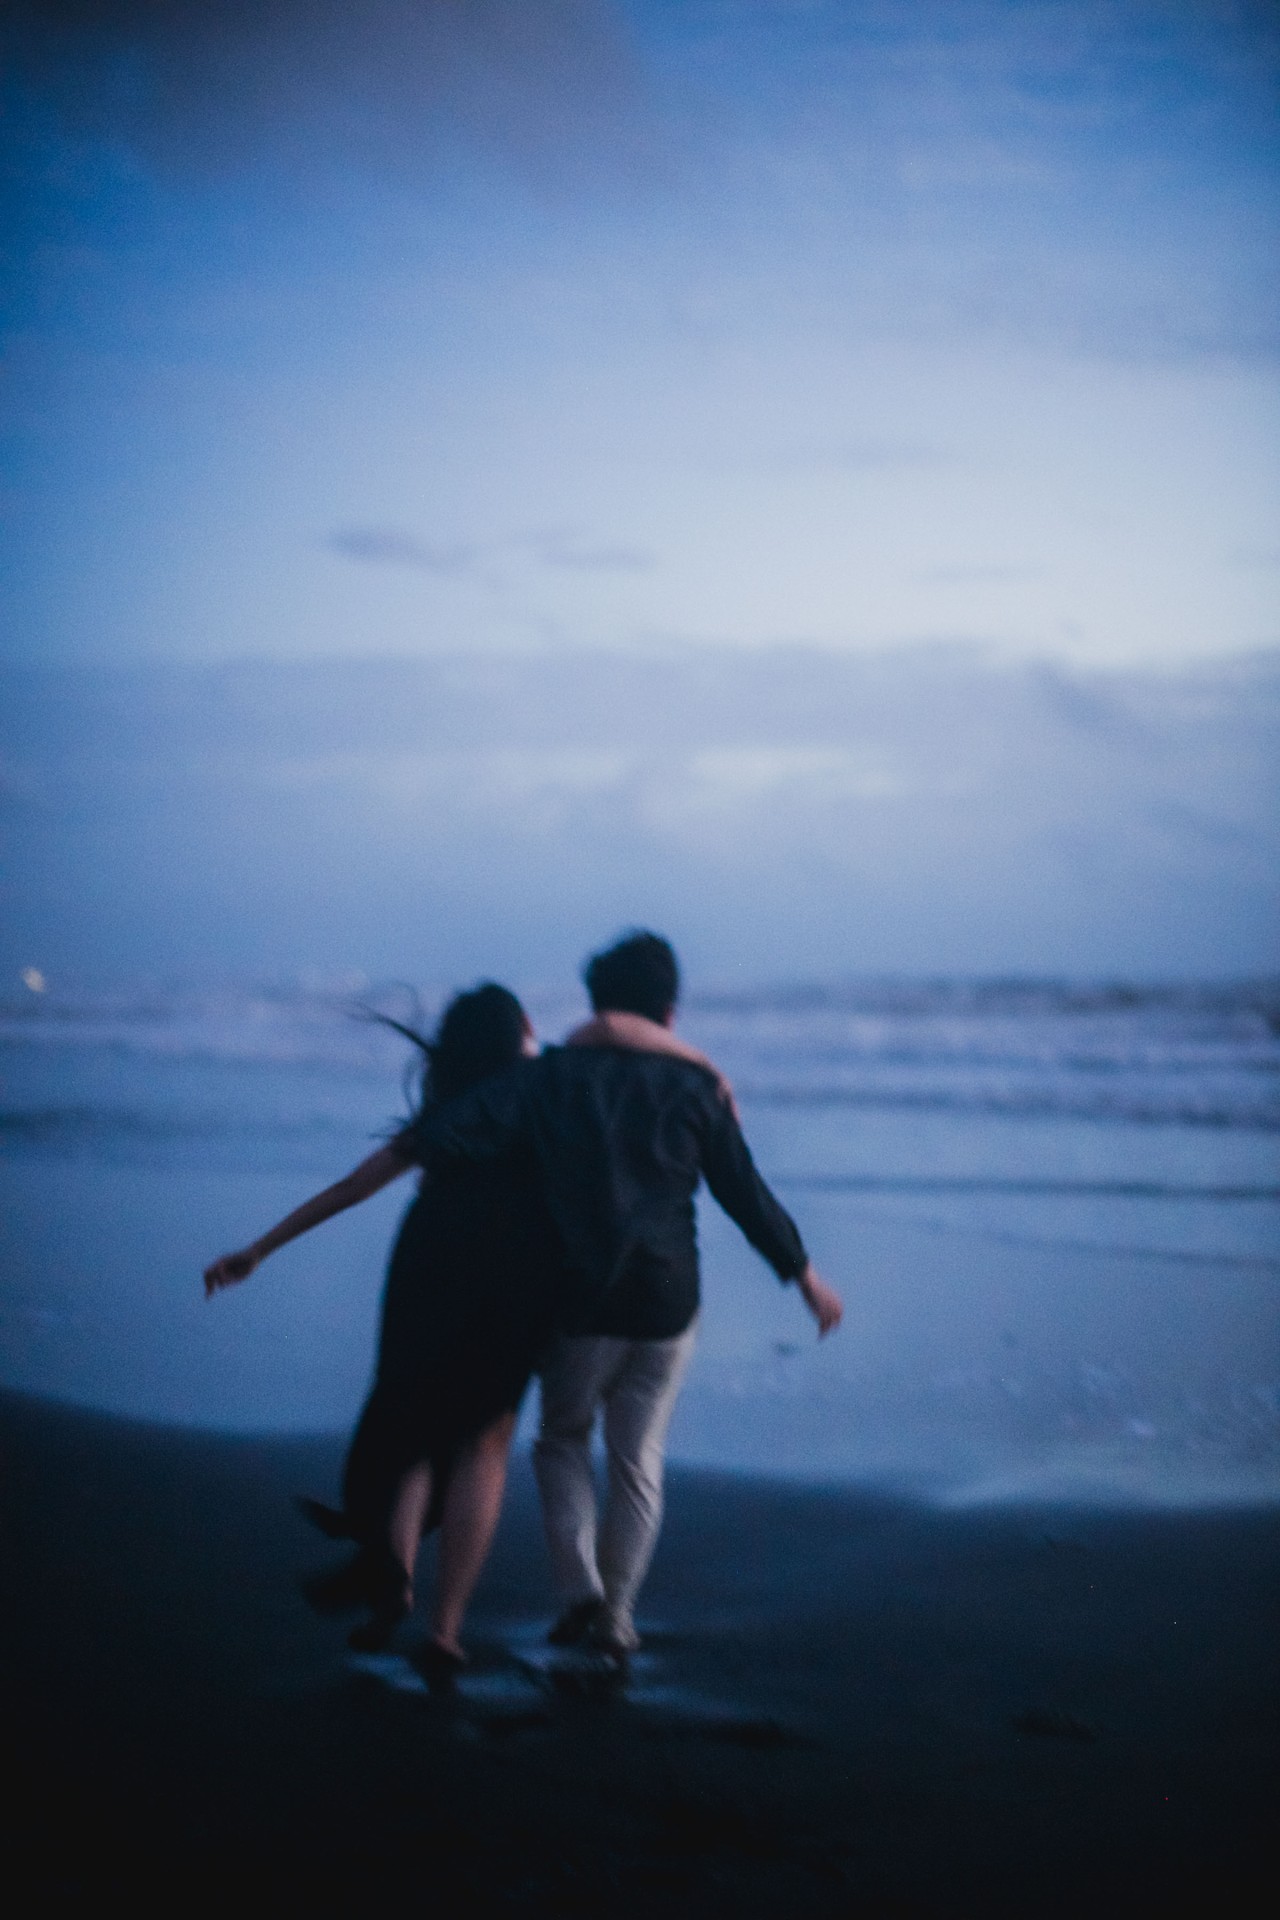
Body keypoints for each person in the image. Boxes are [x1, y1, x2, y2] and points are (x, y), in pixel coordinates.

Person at [403, 931, 843, 1663]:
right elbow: (744, 1194)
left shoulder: (553, 1075)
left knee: (562, 1439)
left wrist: (426, 1162)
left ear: (596, 1002)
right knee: (638, 1458)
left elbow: (459, 1131)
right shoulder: (699, 1087)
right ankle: (618, 1619)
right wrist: (805, 1278)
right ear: (670, 1012)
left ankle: (578, 1588)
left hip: (581, 1299)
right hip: (667, 1301)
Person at [203, 984, 563, 1672]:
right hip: (520, 1267)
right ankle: (445, 1632)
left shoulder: (450, 1110)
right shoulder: (552, 1094)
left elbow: (354, 1187)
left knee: (412, 1425)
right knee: (485, 1445)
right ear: (520, 1032)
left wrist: (260, 1249)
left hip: (433, 1256)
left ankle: (392, 1579)